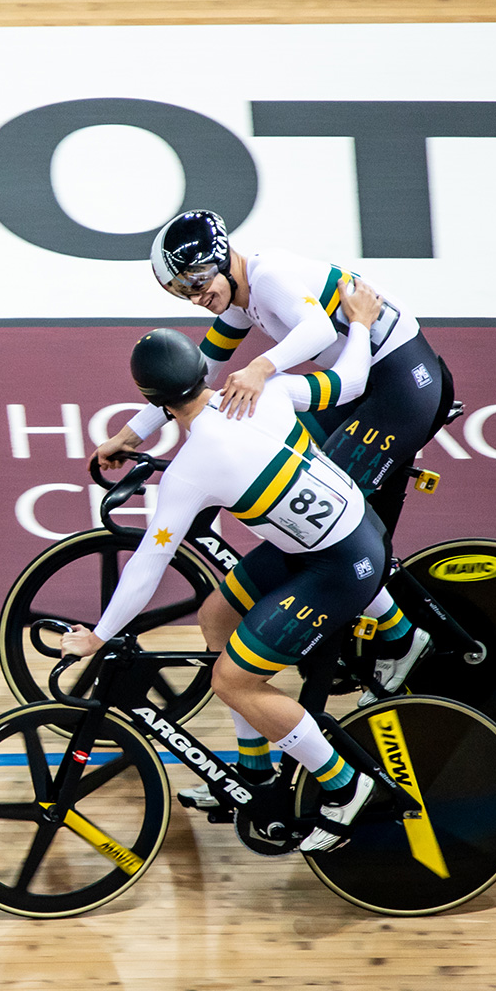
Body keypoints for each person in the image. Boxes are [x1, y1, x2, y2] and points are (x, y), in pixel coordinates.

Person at [59, 280, 387, 852]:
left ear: (155, 401)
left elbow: (148, 565)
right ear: (202, 374)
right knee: (217, 616)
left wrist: (99, 636)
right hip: (348, 533)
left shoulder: (189, 472)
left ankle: (344, 787)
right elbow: (353, 380)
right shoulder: (271, 391)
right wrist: (357, 322)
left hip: (335, 565)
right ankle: (254, 772)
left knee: (232, 680)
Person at [110, 209, 447, 699]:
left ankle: (397, 639)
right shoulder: (236, 301)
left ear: (223, 258)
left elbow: (317, 332)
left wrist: (262, 368)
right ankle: (364, 617)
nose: (197, 295)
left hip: (399, 387)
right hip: (362, 385)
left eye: (199, 277)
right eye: (183, 290)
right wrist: (131, 434)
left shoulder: (267, 276)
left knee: (327, 522)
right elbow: (191, 376)